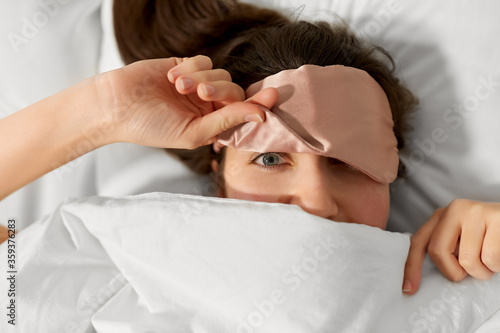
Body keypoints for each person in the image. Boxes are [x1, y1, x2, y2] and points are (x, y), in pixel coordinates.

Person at [0, 0, 498, 297]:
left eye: (346, 162)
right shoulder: (127, 271)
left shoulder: (459, 284)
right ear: (217, 168)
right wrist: (100, 111)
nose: (317, 203)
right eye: (269, 157)